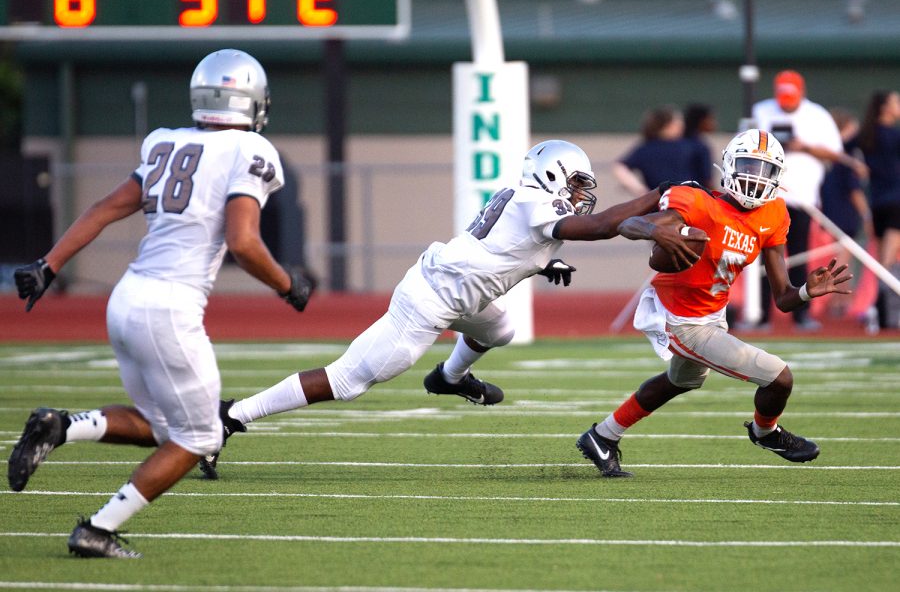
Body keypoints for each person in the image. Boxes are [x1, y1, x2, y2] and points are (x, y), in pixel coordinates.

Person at [202, 140, 703, 474]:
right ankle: (232, 416)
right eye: (575, 185)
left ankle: (450, 377)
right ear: (550, 176)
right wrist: (656, 196)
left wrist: (542, 264)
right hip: (430, 300)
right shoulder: (533, 199)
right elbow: (593, 229)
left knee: (499, 329)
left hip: (463, 293)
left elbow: (500, 249)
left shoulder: (523, 199)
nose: (580, 196)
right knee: (349, 380)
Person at [6, 49, 315, 558]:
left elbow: (105, 208)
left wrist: (48, 265)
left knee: (162, 428)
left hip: (125, 300)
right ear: (252, 102)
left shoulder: (166, 142)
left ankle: (60, 426)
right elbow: (242, 242)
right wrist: (287, 284)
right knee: (200, 438)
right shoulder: (250, 150)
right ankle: (98, 529)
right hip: (170, 308)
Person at [575, 129, 852, 478]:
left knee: (681, 381)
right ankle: (765, 432)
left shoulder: (774, 214)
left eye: (765, 170)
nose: (755, 177)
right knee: (779, 378)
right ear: (730, 165)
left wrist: (806, 293)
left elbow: (782, 298)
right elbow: (630, 223)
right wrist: (654, 231)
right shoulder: (698, 202)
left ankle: (602, 436)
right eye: (749, 165)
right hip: (681, 318)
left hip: (712, 312)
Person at [751, 70, 866, 331]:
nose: (786, 103)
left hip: (802, 197)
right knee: (763, 257)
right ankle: (761, 315)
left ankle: (800, 313)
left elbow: (834, 153)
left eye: (791, 97)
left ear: (801, 93)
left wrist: (804, 147)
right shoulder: (761, 111)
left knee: (799, 256)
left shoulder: (816, 115)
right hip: (766, 197)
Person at [820, 108, 874, 317]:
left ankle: (839, 299)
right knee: (843, 257)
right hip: (844, 212)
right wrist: (867, 215)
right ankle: (837, 300)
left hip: (832, 209)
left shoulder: (833, 154)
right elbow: (854, 191)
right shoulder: (846, 155)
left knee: (842, 256)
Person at [857, 90, 900, 328]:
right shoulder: (893, 136)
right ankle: (879, 312)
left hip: (878, 204)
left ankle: (881, 311)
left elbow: (843, 150)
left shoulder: (866, 135)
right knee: (886, 262)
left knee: (884, 260)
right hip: (896, 203)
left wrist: (856, 164)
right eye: (895, 102)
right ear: (885, 107)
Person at [612, 105, 697, 197]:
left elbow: (619, 167)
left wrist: (641, 191)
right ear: (668, 124)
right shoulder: (688, 146)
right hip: (687, 201)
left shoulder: (644, 148)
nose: (682, 125)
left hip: (658, 203)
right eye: (678, 121)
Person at [683, 103, 718, 190]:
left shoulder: (679, 143)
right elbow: (707, 180)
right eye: (710, 119)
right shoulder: (701, 148)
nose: (714, 123)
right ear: (701, 121)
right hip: (696, 195)